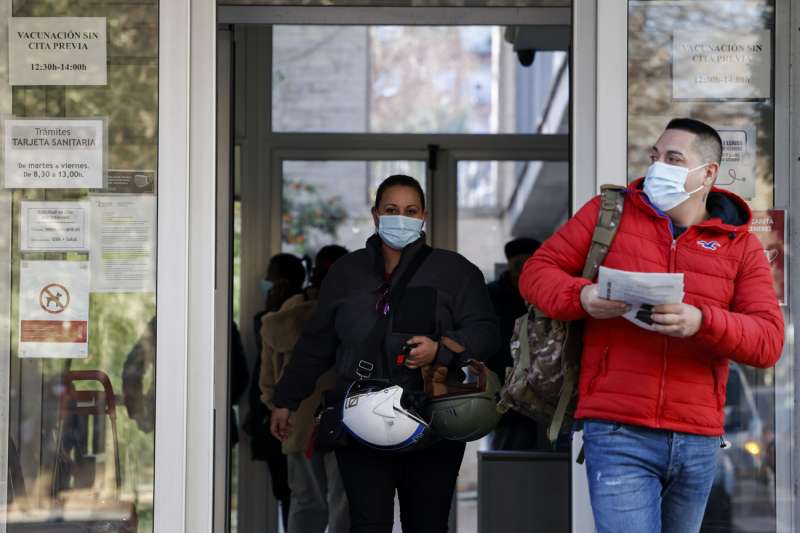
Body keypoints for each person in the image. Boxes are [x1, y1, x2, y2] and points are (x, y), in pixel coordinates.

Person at [519, 118, 784, 533]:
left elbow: (768, 342)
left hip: (697, 437)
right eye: (655, 156)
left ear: (708, 173)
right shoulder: (609, 214)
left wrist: (702, 321)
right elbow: (537, 274)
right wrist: (583, 297)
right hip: (618, 430)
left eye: (674, 159)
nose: (658, 167)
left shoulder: (740, 245)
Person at [270, 174, 500, 533]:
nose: (400, 217)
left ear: (423, 216)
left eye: (410, 210)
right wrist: (285, 399)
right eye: (391, 209)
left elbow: (487, 332)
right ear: (376, 215)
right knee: (367, 524)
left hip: (431, 422)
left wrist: (441, 350)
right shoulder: (347, 273)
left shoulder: (455, 271)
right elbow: (316, 344)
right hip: (361, 418)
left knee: (426, 525)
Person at [260, 244, 350, 533]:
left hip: (297, 425)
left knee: (305, 504)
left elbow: (268, 380)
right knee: (343, 507)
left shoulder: (281, 318)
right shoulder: (352, 313)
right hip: (347, 423)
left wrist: (279, 408)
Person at [242, 253, 306, 528]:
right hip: (284, 420)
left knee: (297, 495)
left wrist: (272, 308)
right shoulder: (276, 317)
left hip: (285, 419)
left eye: (270, 276)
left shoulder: (287, 318)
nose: (265, 282)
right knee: (292, 494)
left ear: (282, 281)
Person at [485, 237, 545, 451]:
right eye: (518, 266)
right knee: (509, 452)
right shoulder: (491, 296)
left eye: (528, 266)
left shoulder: (544, 295)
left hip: (543, 386)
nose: (522, 273)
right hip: (504, 388)